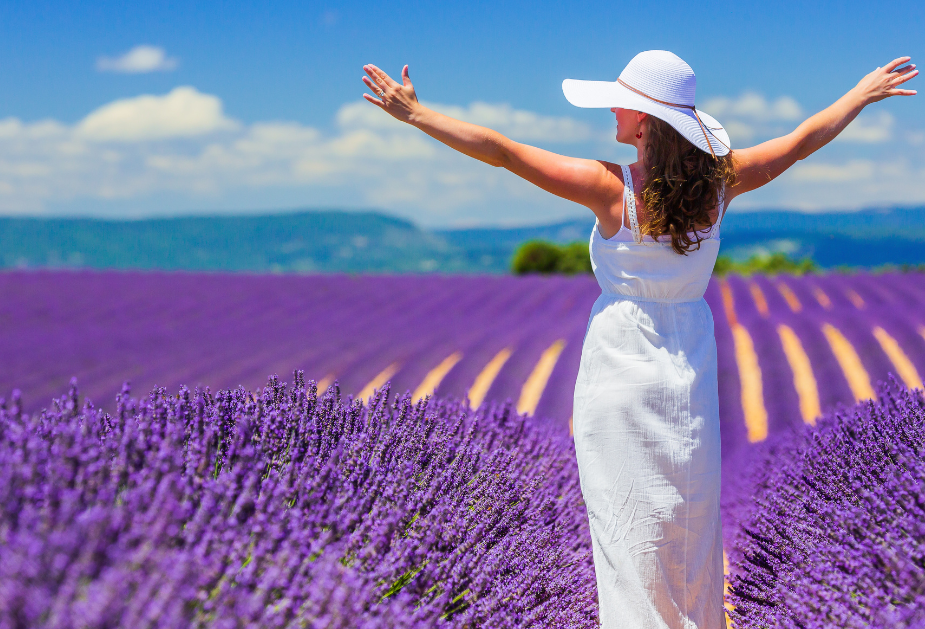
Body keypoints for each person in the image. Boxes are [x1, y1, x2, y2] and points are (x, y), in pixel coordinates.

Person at [360, 50, 917, 628]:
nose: (612, 110)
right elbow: (801, 141)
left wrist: (418, 116)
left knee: (626, 527)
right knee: (689, 518)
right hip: (690, 366)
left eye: (620, 101)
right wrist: (860, 95)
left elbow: (503, 153)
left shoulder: (608, 186)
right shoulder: (720, 184)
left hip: (621, 364)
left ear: (645, 120)